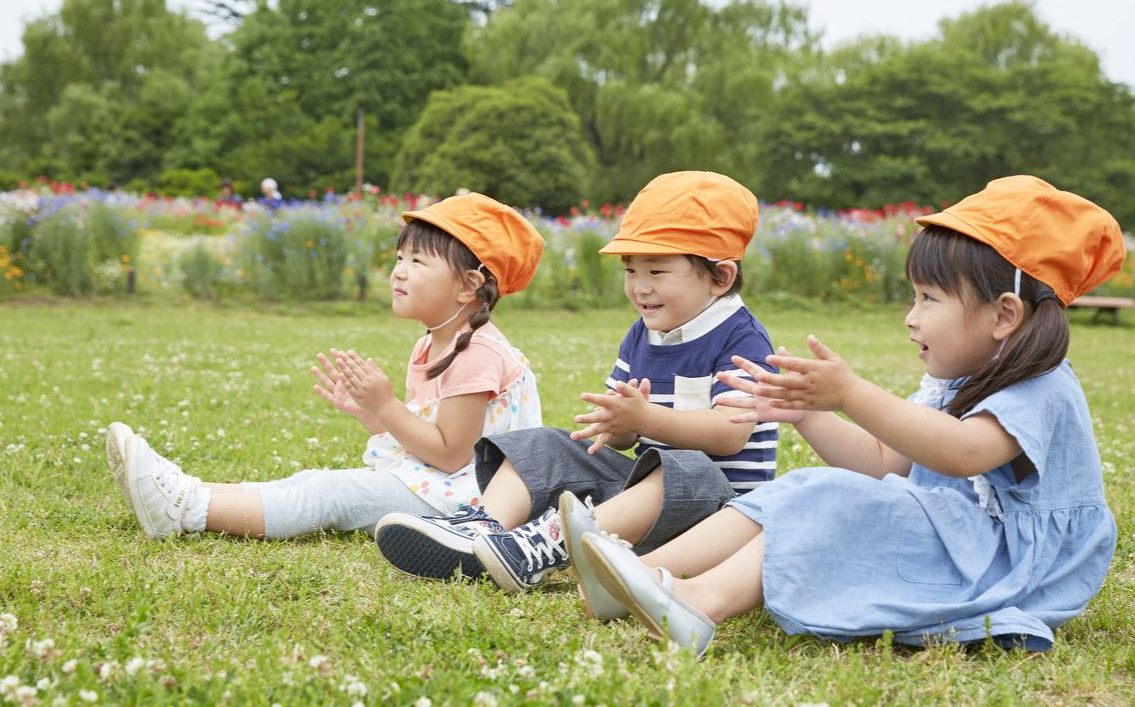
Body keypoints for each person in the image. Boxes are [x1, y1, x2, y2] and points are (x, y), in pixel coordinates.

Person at [576, 175, 1125, 655]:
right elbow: (885, 464)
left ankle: (698, 602)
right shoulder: (952, 383)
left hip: (1005, 564)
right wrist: (806, 415)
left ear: (1004, 314)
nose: (911, 318)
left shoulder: (1041, 386)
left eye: (928, 299)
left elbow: (964, 454)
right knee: (804, 488)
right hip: (957, 540)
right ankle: (641, 574)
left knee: (825, 496)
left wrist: (849, 394)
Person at [374, 171, 779, 608]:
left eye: (657, 271)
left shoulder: (742, 339)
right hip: (637, 510)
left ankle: (540, 546)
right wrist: (619, 424)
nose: (640, 287)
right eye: (630, 270)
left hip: (716, 517)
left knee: (688, 469)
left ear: (720, 277)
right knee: (543, 441)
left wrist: (646, 418)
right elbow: (626, 438)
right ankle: (481, 531)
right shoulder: (643, 333)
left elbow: (731, 433)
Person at [105, 193, 545, 541]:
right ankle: (187, 492)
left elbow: (451, 456)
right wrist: (372, 414)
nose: (398, 273)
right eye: (398, 259)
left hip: (471, 505)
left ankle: (187, 510)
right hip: (438, 484)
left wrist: (387, 405)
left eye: (417, 262)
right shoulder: (434, 341)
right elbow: (426, 441)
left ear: (469, 286)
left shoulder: (478, 353)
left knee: (329, 494)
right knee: (311, 479)